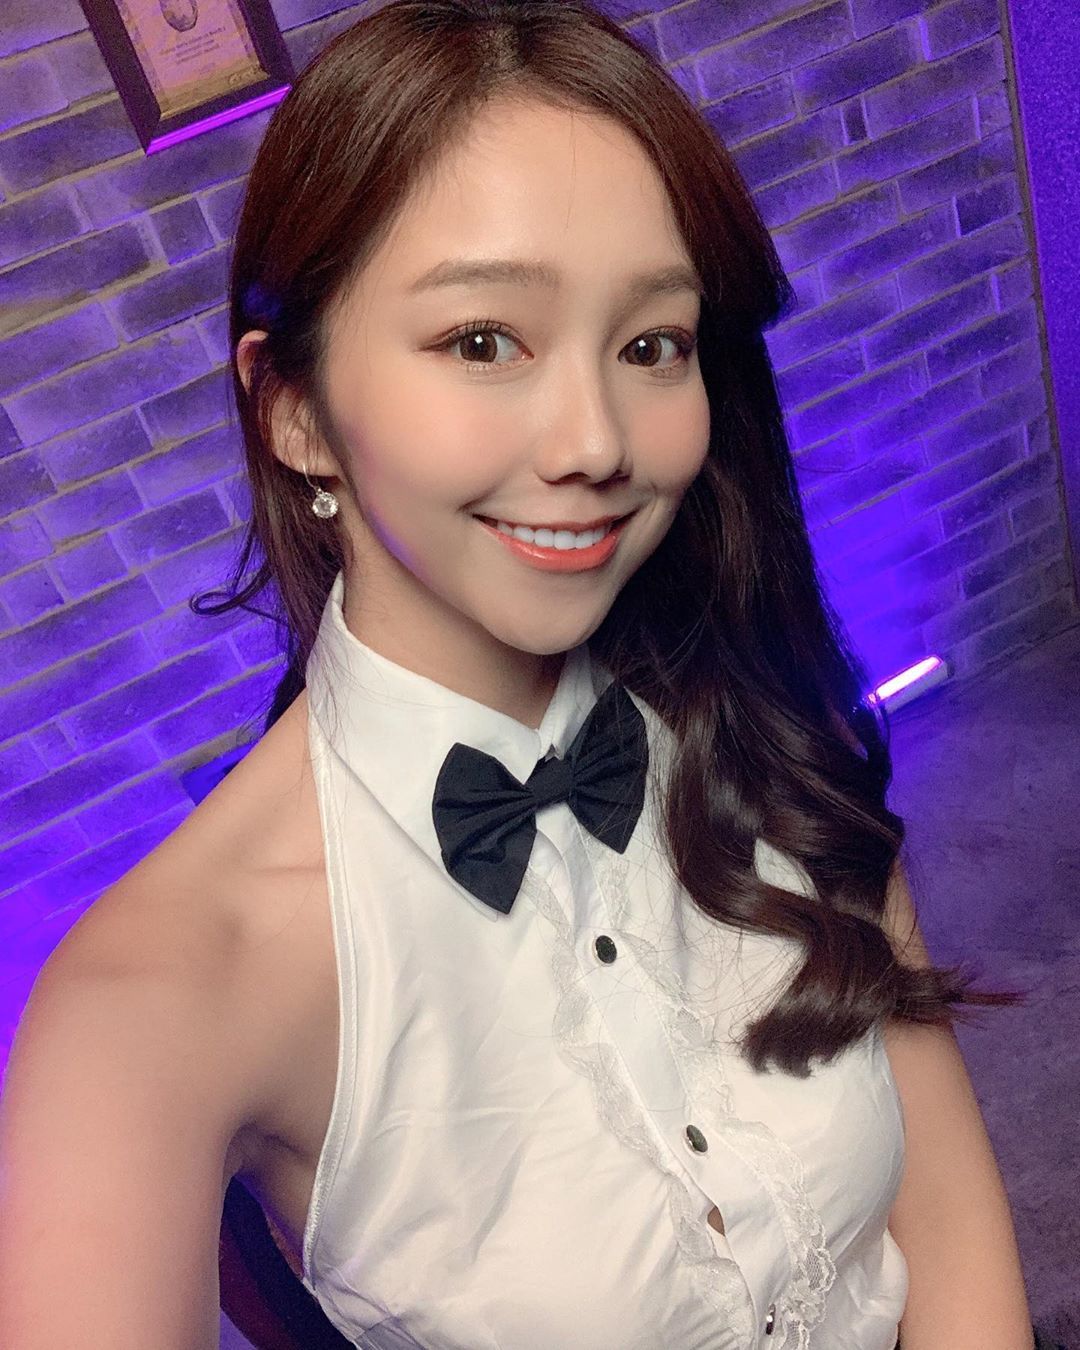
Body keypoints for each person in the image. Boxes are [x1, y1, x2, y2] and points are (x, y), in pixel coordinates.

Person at [0, 2, 1037, 1347]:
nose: (596, 440)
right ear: (294, 411)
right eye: (483, 340)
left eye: (651, 343)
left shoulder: (764, 722)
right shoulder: (154, 996)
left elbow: (950, 1232)